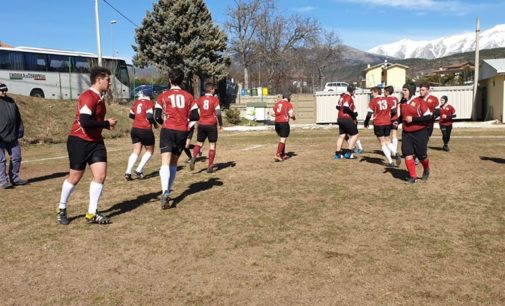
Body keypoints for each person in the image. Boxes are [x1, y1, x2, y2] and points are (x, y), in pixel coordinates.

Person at [57, 67, 118, 225]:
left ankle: (92, 213)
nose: (109, 82)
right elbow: (84, 121)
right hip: (79, 141)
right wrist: (106, 123)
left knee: (100, 175)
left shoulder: (99, 97)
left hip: (96, 142)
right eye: (108, 80)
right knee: (75, 177)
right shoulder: (88, 96)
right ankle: (62, 208)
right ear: (99, 80)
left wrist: (104, 125)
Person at [154, 69, 199, 209]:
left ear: (169, 80)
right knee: (173, 163)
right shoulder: (189, 96)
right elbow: (196, 116)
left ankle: (165, 192)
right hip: (181, 132)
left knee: (165, 162)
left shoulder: (163, 96)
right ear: (182, 80)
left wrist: (163, 124)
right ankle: (168, 189)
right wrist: (187, 126)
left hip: (168, 130)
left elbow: (155, 116)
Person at [399, 83, 432, 184]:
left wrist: (413, 119)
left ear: (411, 91)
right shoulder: (402, 102)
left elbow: (428, 117)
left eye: (405, 90)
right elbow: (403, 117)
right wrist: (397, 121)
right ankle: (412, 177)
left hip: (420, 132)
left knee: (422, 156)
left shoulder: (419, 101)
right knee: (407, 154)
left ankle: (426, 169)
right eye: (403, 90)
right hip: (406, 133)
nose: (403, 92)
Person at [190, 82, 224, 172]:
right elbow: (218, 113)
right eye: (214, 89)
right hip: (211, 124)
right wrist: (220, 124)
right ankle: (209, 166)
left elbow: (192, 109)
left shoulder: (200, 99)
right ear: (212, 90)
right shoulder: (215, 99)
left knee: (199, 143)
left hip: (201, 124)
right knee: (212, 145)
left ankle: (193, 157)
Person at [364, 86, 400, 167]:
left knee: (382, 143)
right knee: (387, 141)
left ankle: (390, 162)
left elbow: (369, 114)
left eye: (372, 92)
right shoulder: (387, 100)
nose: (372, 94)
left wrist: (366, 123)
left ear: (376, 92)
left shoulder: (373, 101)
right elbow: (394, 110)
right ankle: (396, 152)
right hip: (387, 123)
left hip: (378, 123)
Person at [0, 83, 27, 189]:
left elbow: (18, 117)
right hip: (0, 137)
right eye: (1, 90)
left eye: (5, 90)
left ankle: (15, 178)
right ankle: (2, 181)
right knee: (1, 160)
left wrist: (20, 129)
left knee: (16, 157)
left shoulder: (11, 101)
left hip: (12, 135)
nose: (4, 92)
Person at [124, 92, 156, 180]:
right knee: (150, 151)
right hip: (145, 129)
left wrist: (139, 119)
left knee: (136, 151)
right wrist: (155, 123)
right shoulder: (149, 103)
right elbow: (149, 116)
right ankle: (139, 170)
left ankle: (128, 172)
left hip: (135, 129)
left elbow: (131, 115)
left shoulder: (136, 102)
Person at [334, 85, 359, 159]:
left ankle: (337, 153)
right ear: (351, 90)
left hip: (340, 118)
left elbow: (338, 107)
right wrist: (353, 115)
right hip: (346, 118)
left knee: (342, 136)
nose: (355, 92)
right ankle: (349, 152)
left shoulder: (342, 96)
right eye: (354, 90)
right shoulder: (348, 97)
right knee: (355, 135)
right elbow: (345, 107)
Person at [272, 92, 296, 161]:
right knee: (283, 139)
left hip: (277, 123)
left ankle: (282, 154)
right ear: (289, 98)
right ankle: (277, 155)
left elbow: (272, 113)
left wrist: (279, 115)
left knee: (282, 139)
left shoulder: (278, 103)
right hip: (284, 123)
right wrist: (293, 117)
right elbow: (291, 114)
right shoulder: (288, 104)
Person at [384, 86, 400, 155]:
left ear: (387, 92)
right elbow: (398, 108)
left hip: (388, 119)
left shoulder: (386, 99)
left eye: (384, 91)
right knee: (394, 134)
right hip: (395, 118)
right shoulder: (396, 99)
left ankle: (391, 151)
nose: (383, 93)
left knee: (387, 136)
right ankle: (394, 150)